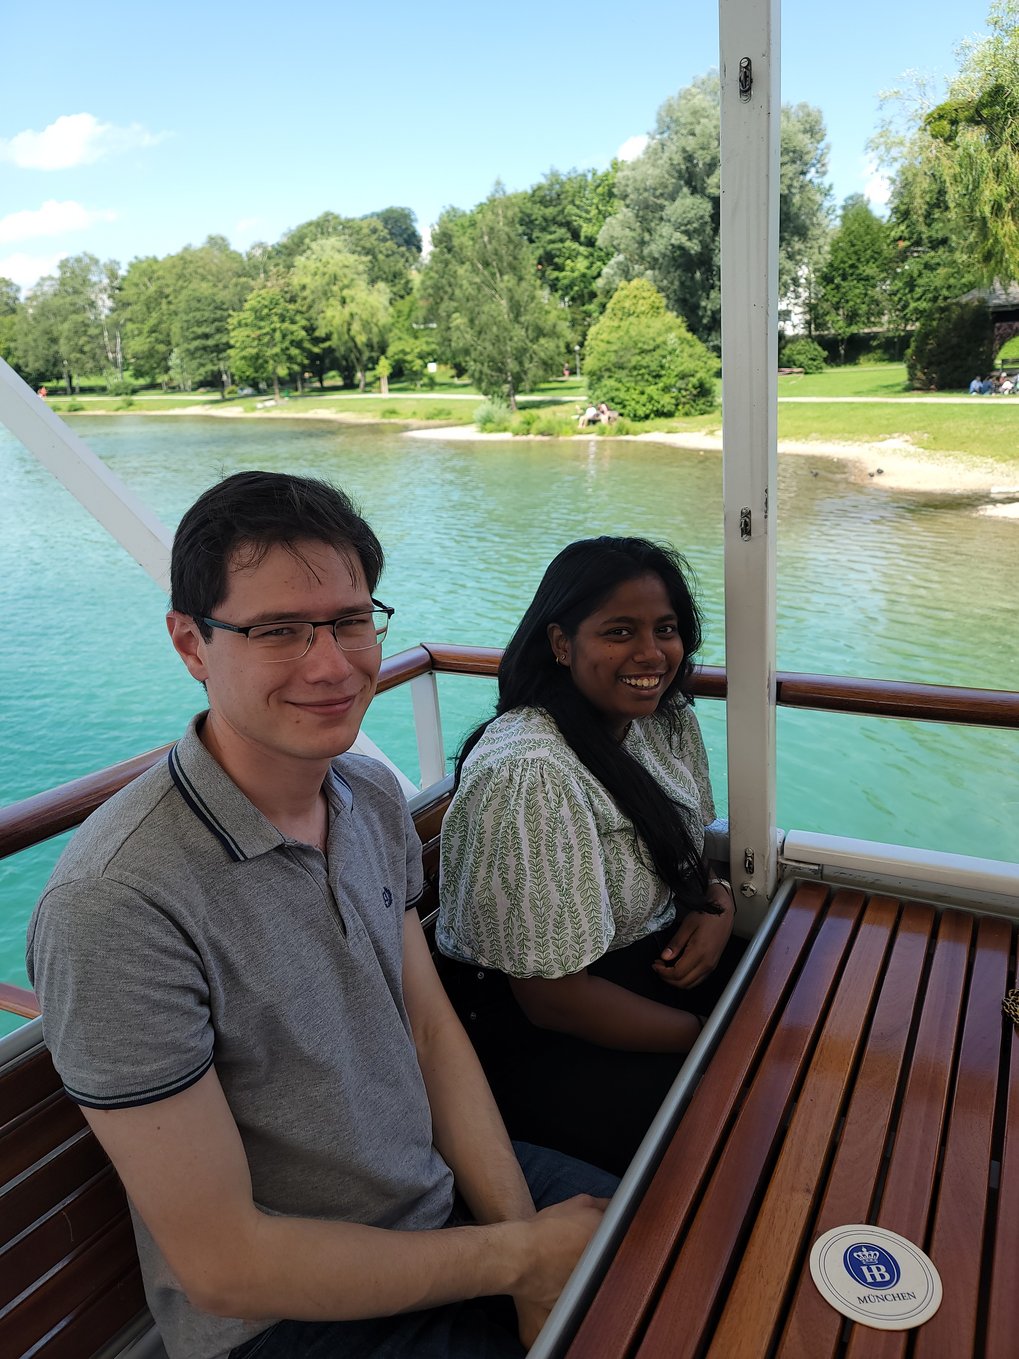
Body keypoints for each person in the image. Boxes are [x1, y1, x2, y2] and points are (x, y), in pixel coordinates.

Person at [27, 472, 615, 1359]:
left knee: (681, 1250)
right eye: (278, 630)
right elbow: (225, 1264)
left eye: (348, 620)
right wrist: (520, 1259)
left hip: (432, 1200)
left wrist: (521, 1239)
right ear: (191, 643)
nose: (333, 664)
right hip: (286, 1315)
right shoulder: (117, 903)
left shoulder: (367, 794)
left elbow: (427, 1030)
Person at [437, 537, 737, 1175]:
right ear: (562, 644)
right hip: (549, 1036)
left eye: (665, 630)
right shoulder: (531, 771)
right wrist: (712, 1035)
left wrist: (718, 902)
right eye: (619, 632)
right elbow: (551, 999)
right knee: (740, 1130)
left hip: (649, 977)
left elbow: (687, 852)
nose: (651, 653)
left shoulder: (661, 718)